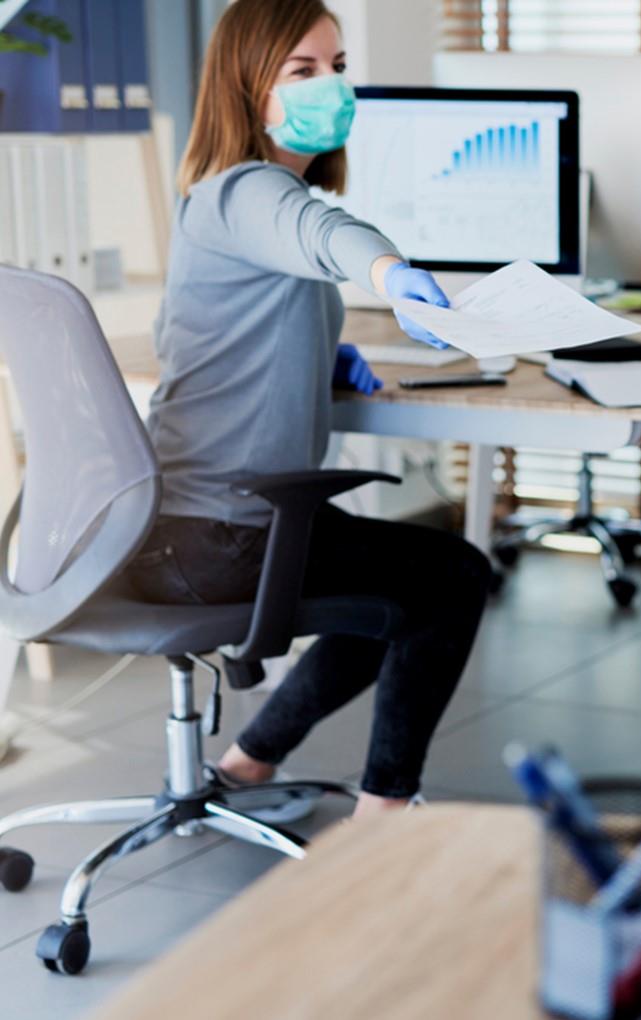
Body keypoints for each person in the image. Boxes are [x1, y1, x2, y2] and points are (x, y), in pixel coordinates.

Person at [127, 0, 491, 819]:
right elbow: (321, 229)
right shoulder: (247, 192)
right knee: (454, 576)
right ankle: (385, 818)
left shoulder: (214, 204)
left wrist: (321, 354)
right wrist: (392, 277)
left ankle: (249, 762)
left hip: (184, 529)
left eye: (337, 65)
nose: (331, 84)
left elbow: (203, 334)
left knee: (397, 589)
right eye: (302, 70)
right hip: (222, 535)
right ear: (249, 90)